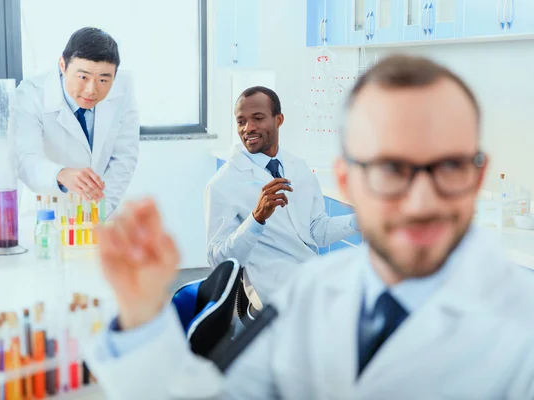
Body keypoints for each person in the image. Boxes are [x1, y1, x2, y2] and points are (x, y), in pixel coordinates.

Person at [86, 55, 534, 398]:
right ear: (348, 179)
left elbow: (318, 230)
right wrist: (144, 318)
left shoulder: (521, 328)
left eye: (448, 165)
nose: (417, 202)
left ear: (478, 176)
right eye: (389, 169)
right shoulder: (313, 294)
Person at [205, 86, 359, 314]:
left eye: (258, 118)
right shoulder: (223, 183)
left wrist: (362, 220)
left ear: (279, 120)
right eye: (241, 121)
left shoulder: (299, 168)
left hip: (309, 277)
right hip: (272, 292)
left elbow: (317, 231)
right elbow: (218, 260)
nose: (248, 128)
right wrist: (256, 219)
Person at [13, 27, 139, 215]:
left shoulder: (123, 87)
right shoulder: (31, 94)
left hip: (100, 210)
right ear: (62, 65)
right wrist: (60, 174)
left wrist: (102, 209)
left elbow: (124, 156)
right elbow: (25, 158)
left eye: (103, 80)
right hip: (48, 211)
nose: (91, 90)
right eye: (83, 77)